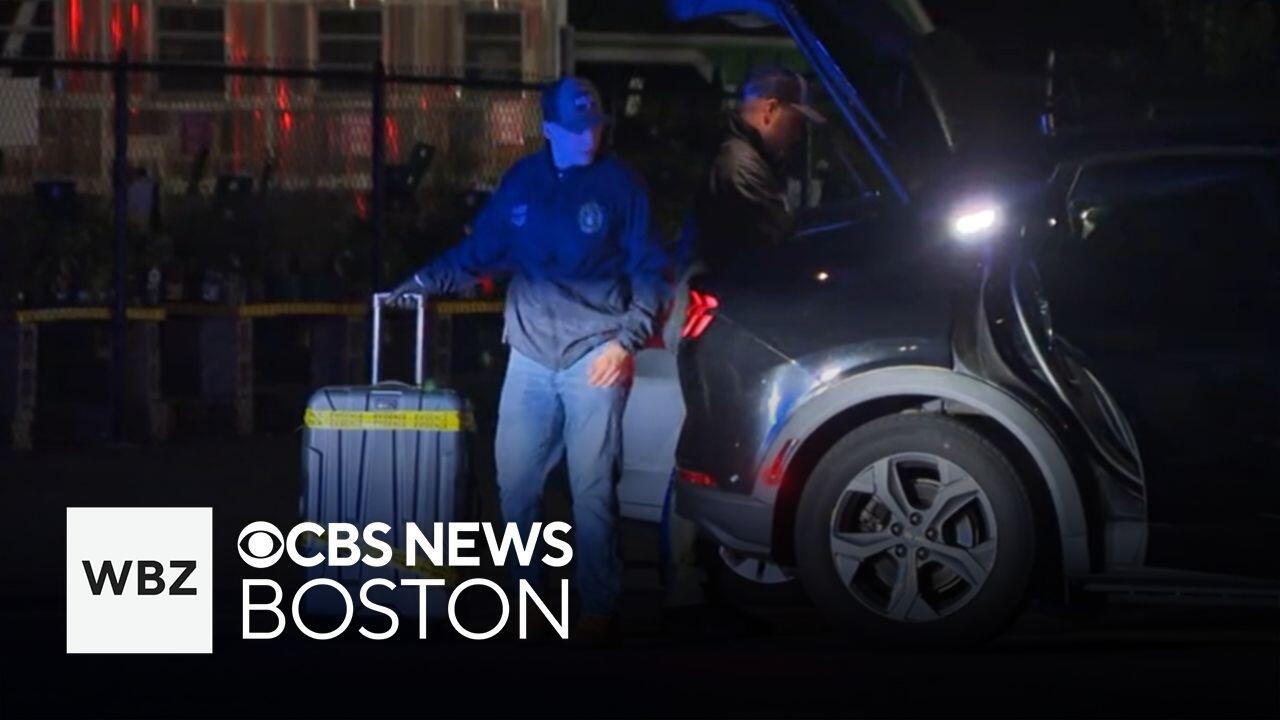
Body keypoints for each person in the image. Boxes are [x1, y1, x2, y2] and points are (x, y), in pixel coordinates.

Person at [387, 77, 669, 644]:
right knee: (515, 484)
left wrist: (626, 342)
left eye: (594, 127)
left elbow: (651, 271)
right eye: (575, 129)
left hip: (596, 351)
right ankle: (526, 599)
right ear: (549, 130)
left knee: (592, 489)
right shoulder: (522, 181)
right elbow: (482, 250)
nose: (588, 137)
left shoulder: (621, 186)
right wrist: (423, 280)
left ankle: (597, 606)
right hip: (530, 354)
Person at [663, 66, 824, 635]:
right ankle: (686, 588)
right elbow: (772, 241)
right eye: (797, 121)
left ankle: (696, 585)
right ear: (770, 110)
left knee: (709, 445)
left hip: (715, 310)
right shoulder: (739, 162)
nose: (800, 134)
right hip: (718, 314)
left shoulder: (742, 154)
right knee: (705, 447)